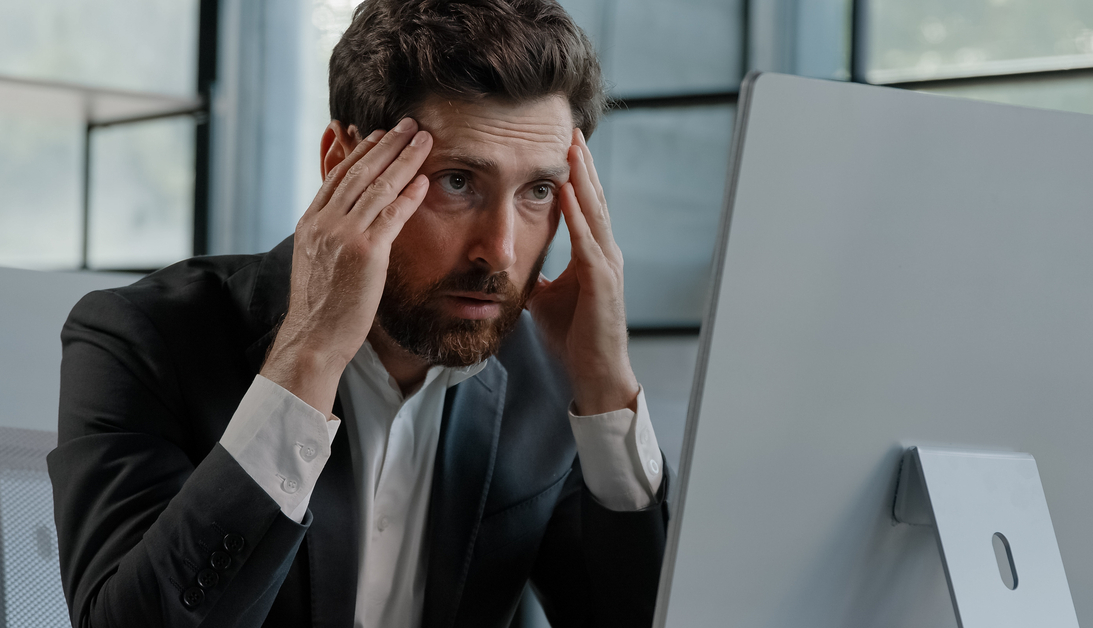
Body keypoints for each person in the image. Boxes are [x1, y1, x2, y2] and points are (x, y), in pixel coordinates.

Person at [48, 1, 669, 627]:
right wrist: (308, 359)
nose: (501, 251)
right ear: (342, 163)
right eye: (457, 182)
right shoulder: (141, 340)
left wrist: (606, 387)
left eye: (538, 190)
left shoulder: (547, 379)